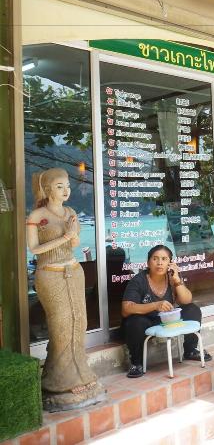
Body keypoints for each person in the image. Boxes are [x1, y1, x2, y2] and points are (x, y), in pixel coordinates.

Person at [26, 167, 106, 411]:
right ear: (48, 189)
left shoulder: (70, 212)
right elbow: (34, 249)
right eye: (59, 186)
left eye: (67, 185)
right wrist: (65, 236)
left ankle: (80, 374)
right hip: (49, 274)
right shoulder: (37, 215)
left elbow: (74, 243)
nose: (65, 190)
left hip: (73, 270)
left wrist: (72, 236)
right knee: (61, 324)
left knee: (78, 322)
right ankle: (59, 382)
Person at [121, 245, 211, 378]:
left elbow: (187, 300)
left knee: (193, 310)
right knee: (134, 322)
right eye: (155, 259)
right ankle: (137, 363)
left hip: (166, 320)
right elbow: (126, 309)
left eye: (164, 259)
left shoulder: (172, 277)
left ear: (170, 263)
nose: (159, 263)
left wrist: (176, 281)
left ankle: (190, 350)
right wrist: (155, 305)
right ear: (148, 262)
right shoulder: (138, 280)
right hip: (146, 320)